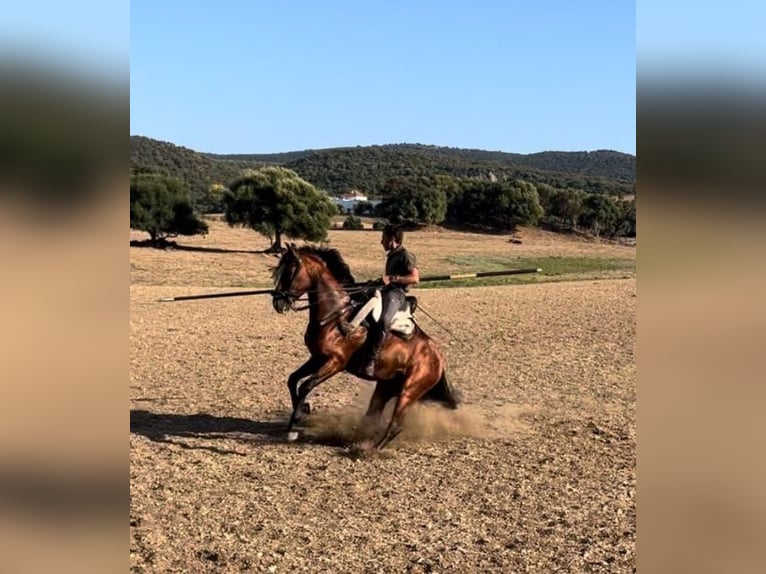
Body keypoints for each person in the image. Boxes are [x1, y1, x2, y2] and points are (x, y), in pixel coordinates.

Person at [362, 224, 420, 377]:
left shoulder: (406, 255)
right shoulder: (392, 255)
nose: (381, 242)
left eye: (383, 238)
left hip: (396, 294)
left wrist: (394, 278)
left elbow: (415, 278)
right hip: (386, 290)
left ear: (392, 239)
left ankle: (371, 360)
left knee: (383, 321)